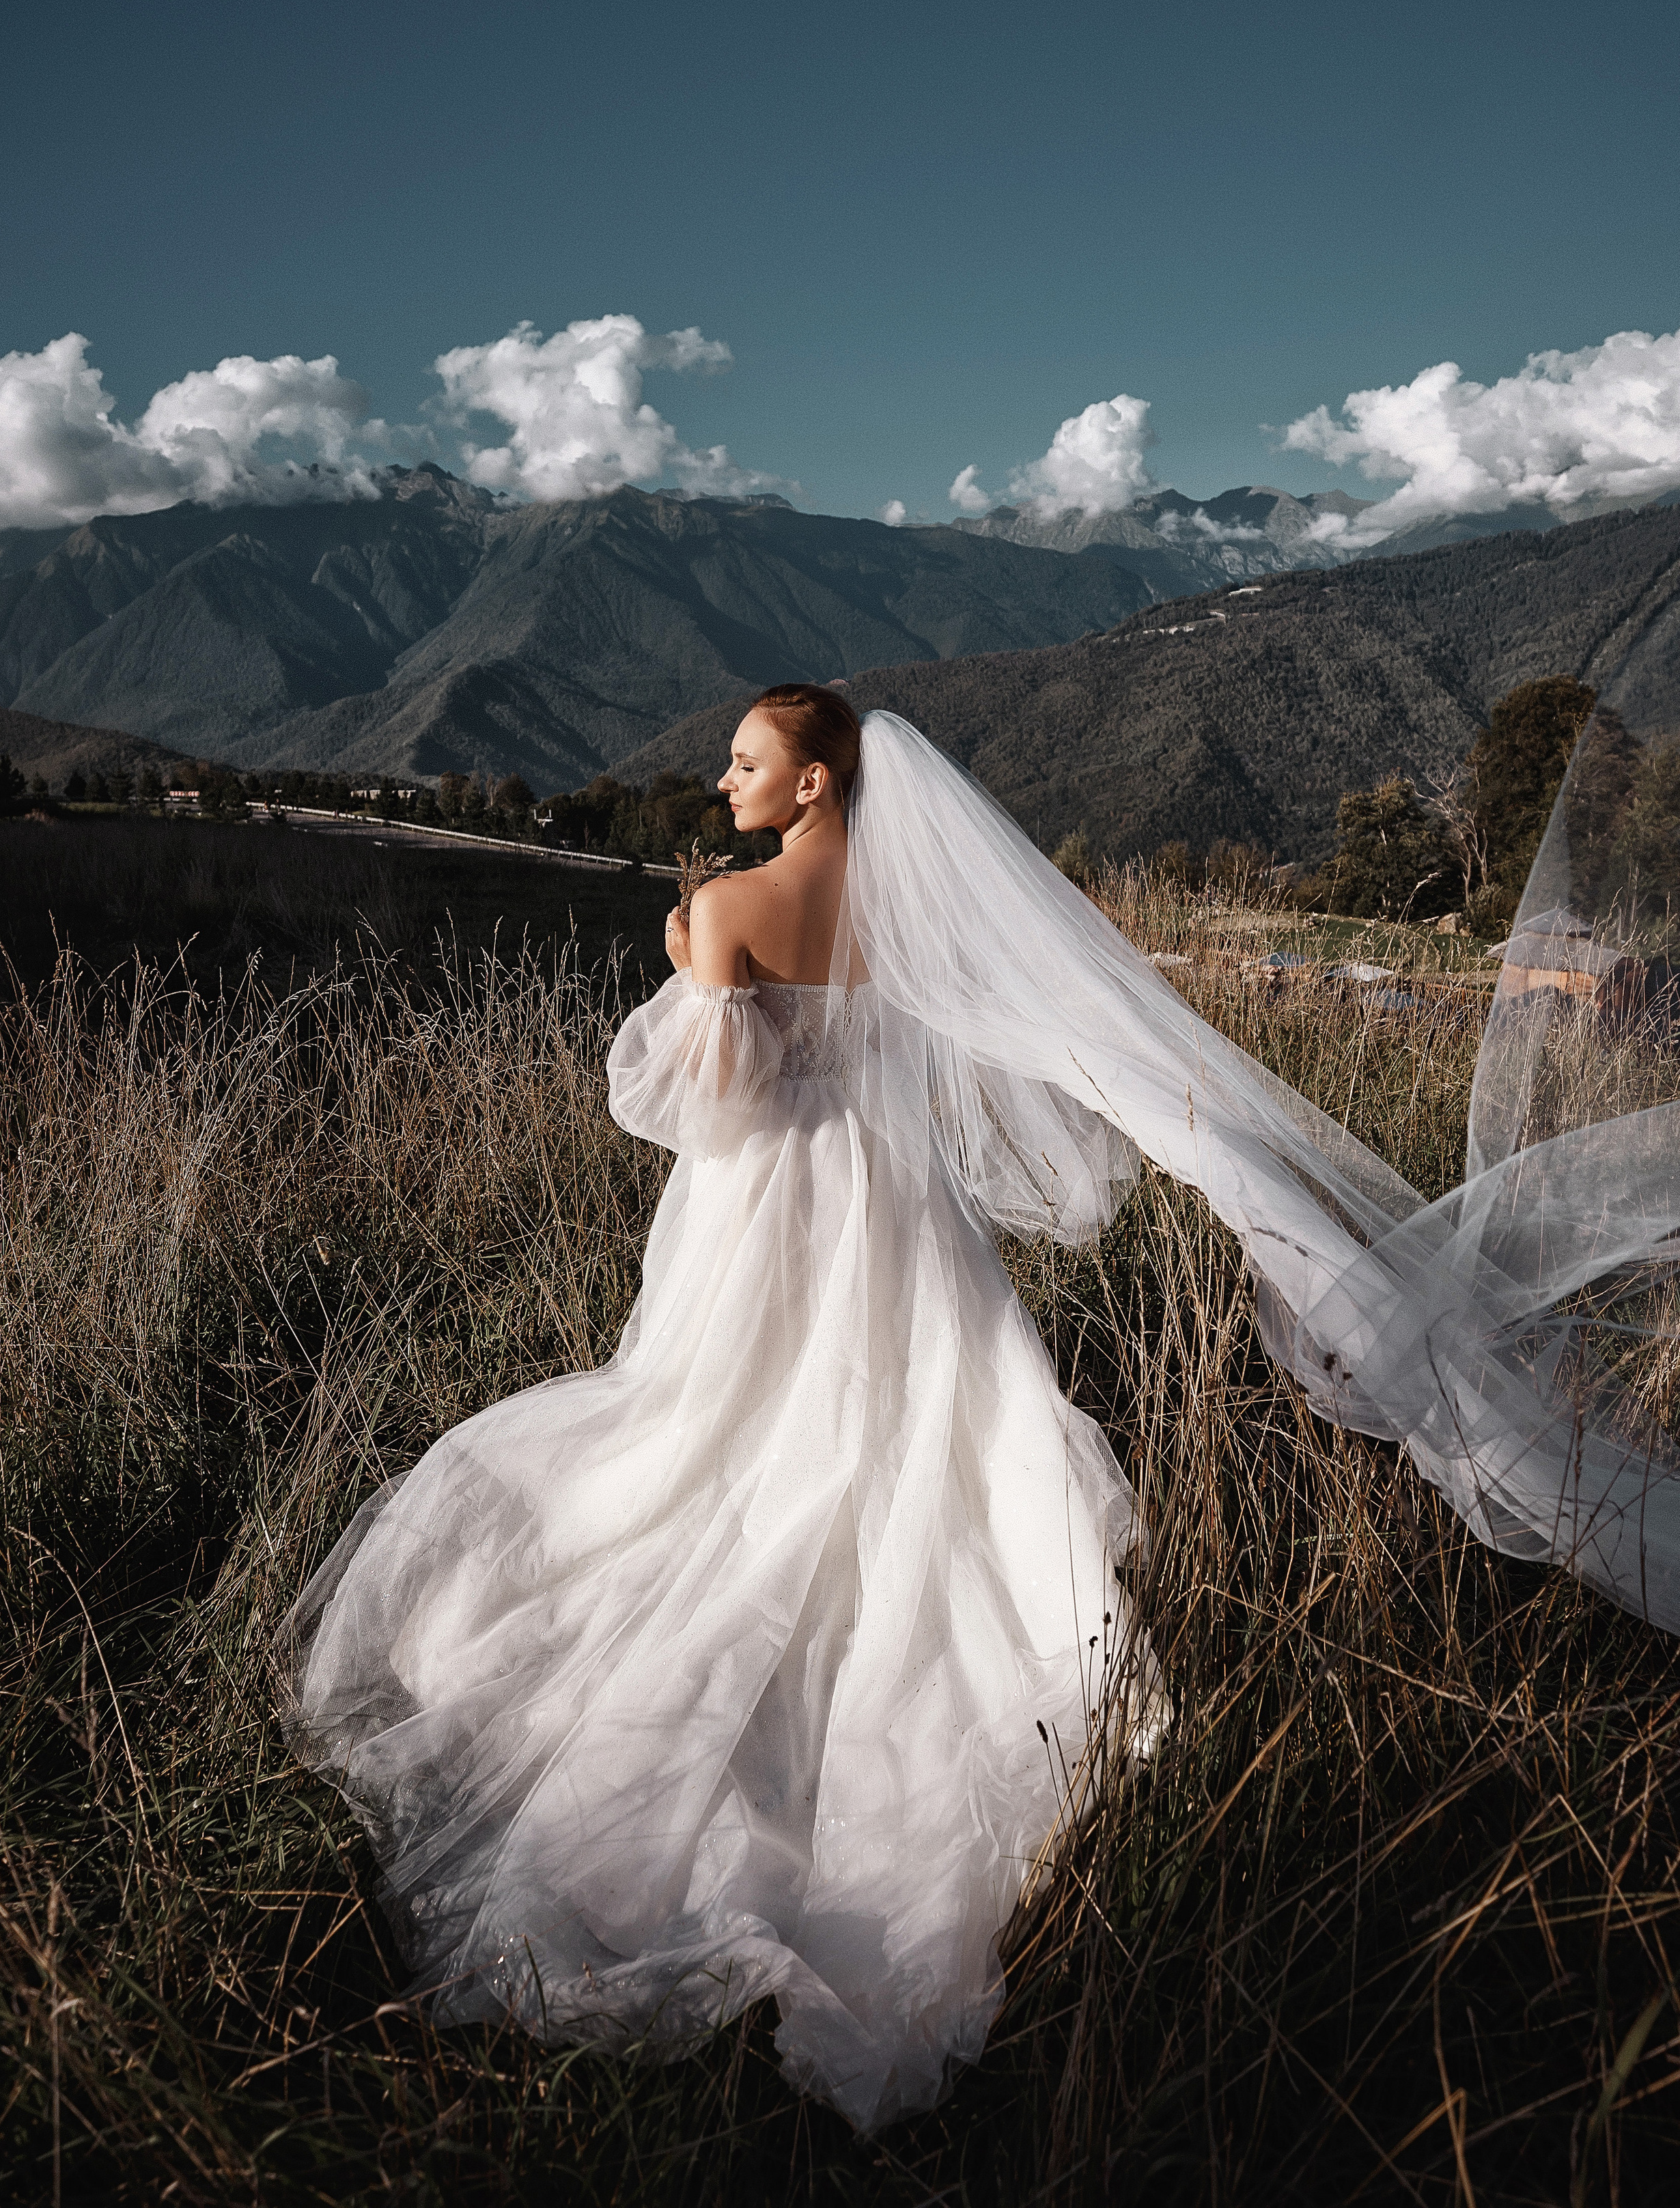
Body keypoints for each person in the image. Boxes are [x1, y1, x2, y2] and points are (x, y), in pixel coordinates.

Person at [283, 682, 1680, 2132]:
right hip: (900, 1221)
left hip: (766, 1224)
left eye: (746, 760)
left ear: (815, 784)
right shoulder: (912, 918)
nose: (721, 778)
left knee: (710, 1432)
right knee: (916, 1433)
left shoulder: (726, 910)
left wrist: (676, 949)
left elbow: (705, 1107)